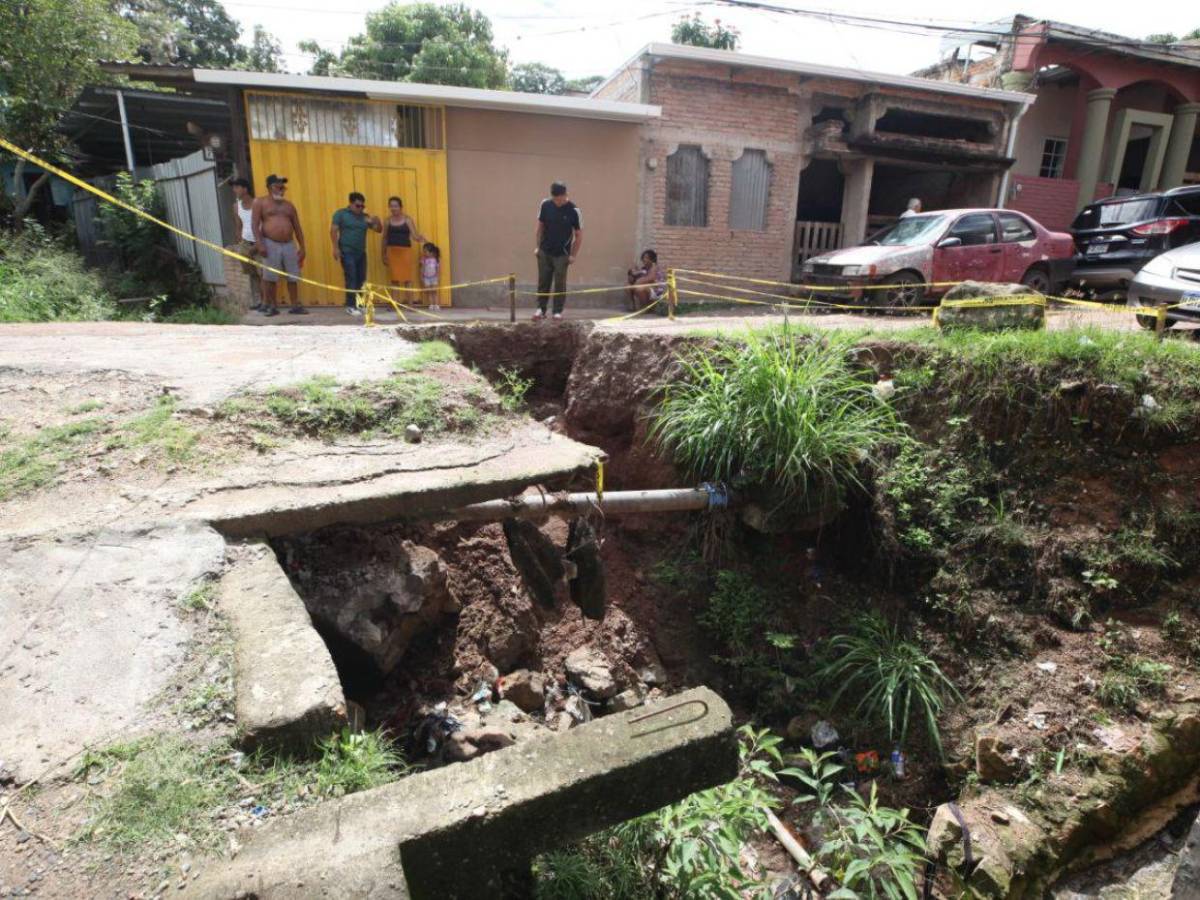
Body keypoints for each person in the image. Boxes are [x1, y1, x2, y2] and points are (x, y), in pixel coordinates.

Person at [252, 174, 307, 317]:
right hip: (270, 243)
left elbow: (297, 227)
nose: (282, 189)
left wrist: (302, 247)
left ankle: (295, 305)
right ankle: (272, 306)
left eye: (283, 187)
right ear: (271, 187)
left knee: (292, 276)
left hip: (288, 244)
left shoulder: (289, 206)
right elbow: (254, 225)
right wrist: (260, 244)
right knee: (270, 277)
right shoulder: (260, 202)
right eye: (279, 187)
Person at [534, 181, 583, 321]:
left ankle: (557, 311)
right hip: (545, 251)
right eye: (555, 199)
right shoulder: (545, 205)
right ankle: (540, 309)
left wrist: (573, 255)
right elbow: (540, 228)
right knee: (543, 281)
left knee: (560, 283)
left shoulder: (574, 210)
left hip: (562, 254)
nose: (557, 202)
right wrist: (538, 247)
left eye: (560, 199)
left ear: (565, 195)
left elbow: (579, 235)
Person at [331, 192, 382, 316]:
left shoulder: (365, 217)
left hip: (361, 252)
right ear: (350, 204)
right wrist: (335, 248)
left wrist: (377, 221)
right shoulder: (341, 214)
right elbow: (333, 230)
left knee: (361, 279)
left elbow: (378, 230)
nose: (360, 209)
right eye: (357, 206)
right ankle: (350, 305)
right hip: (347, 251)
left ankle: (360, 304)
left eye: (362, 206)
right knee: (351, 278)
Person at [381, 196, 424, 306]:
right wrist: (383, 254)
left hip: (405, 252)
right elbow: (384, 238)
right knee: (394, 279)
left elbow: (414, 235)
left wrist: (420, 238)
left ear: (401, 207)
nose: (393, 208)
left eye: (396, 206)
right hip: (392, 251)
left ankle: (410, 304)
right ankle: (394, 304)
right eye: (391, 206)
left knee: (407, 279)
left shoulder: (407, 219)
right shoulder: (387, 221)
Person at [229, 177, 262, 311]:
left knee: (263, 272)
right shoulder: (236, 206)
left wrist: (259, 244)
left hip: (260, 241)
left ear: (245, 189)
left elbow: (264, 224)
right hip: (245, 243)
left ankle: (268, 301)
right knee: (252, 273)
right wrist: (239, 244)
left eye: (237, 187)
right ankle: (258, 301)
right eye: (234, 187)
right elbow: (238, 226)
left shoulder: (257, 204)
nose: (234, 190)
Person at [419, 242, 441, 307]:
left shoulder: (435, 259)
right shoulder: (423, 259)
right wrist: (421, 276)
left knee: (434, 291)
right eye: (424, 252)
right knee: (429, 292)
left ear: (431, 252)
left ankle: (436, 304)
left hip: (434, 277)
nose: (424, 253)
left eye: (425, 252)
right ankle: (431, 304)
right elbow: (422, 268)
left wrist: (438, 276)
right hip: (426, 278)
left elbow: (437, 268)